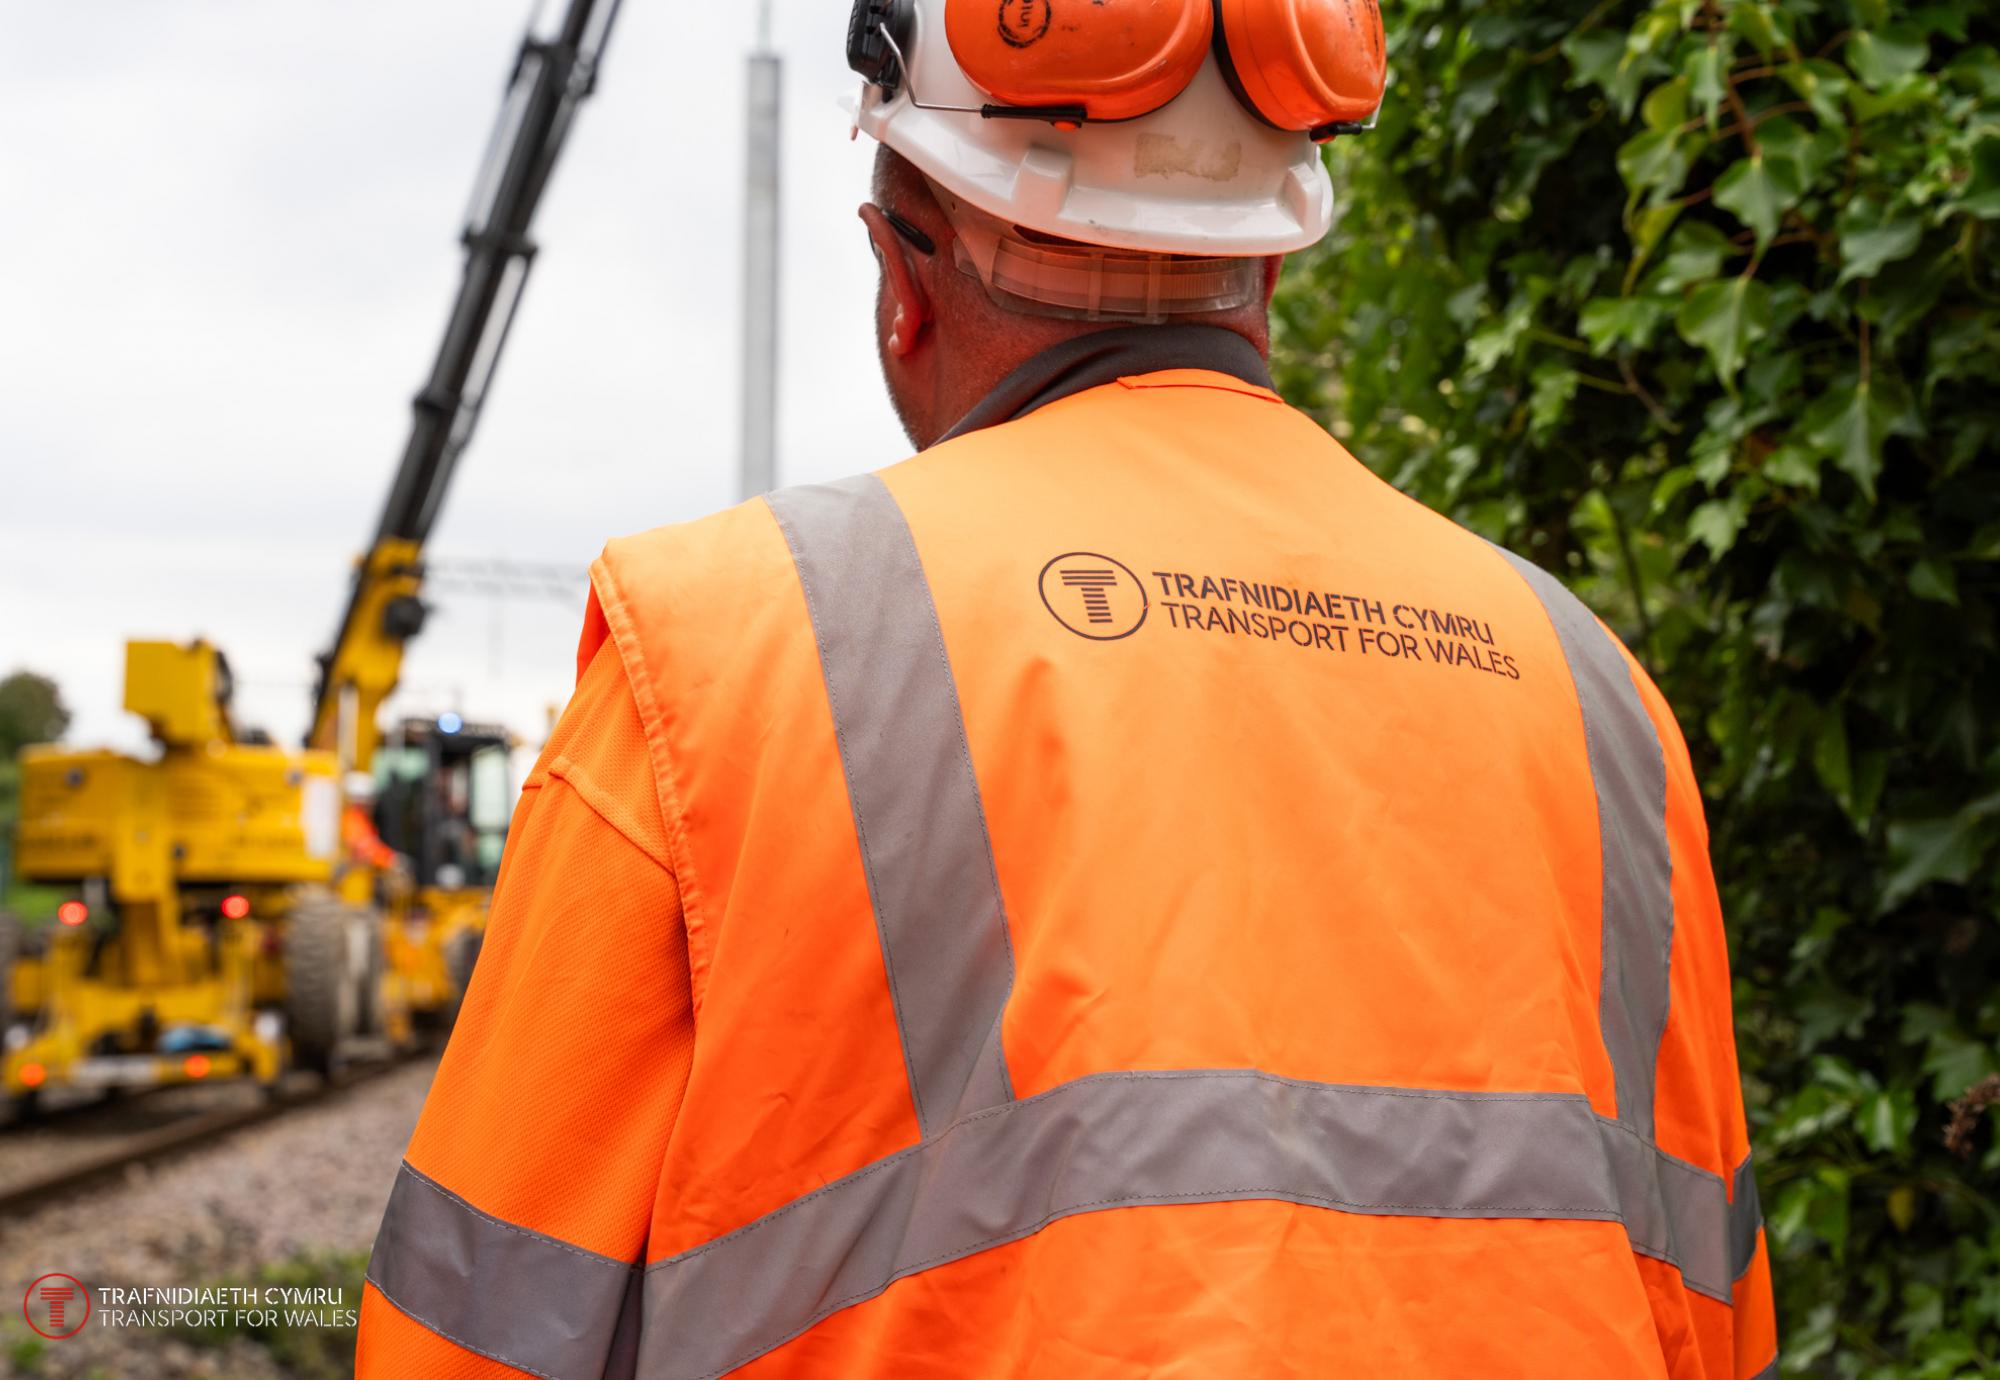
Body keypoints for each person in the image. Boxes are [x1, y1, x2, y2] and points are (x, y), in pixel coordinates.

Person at [358, 2, 1778, 1375]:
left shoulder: (719, 648)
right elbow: (1707, 1315)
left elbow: (475, 1334)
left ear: (903, 287)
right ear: (1267, 273)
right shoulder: (1599, 698)